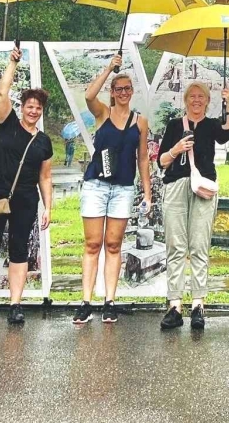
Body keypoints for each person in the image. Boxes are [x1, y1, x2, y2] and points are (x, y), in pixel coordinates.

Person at [0, 47, 54, 325]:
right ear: (22, 108)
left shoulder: (43, 141)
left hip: (25, 200)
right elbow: (2, 92)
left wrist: (48, 207)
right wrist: (12, 62)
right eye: (29, 106)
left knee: (19, 250)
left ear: (41, 112)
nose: (33, 111)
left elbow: (45, 176)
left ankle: (15, 304)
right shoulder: (7, 123)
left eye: (38, 108)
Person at [73, 55, 152, 326]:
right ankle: (86, 301)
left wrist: (148, 192)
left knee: (113, 244)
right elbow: (88, 95)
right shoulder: (102, 113)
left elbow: (143, 158)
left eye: (127, 89)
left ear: (132, 92)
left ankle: (109, 301)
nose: (123, 93)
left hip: (123, 187)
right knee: (93, 243)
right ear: (113, 92)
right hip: (96, 184)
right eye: (119, 89)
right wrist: (109, 68)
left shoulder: (140, 122)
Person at [157, 80, 229, 330]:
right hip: (176, 187)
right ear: (186, 100)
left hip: (202, 187)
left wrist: (228, 103)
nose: (197, 100)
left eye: (202, 97)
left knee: (199, 245)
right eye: (193, 96)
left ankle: (199, 304)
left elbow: (226, 134)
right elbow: (161, 162)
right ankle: (175, 305)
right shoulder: (173, 126)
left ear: (207, 101)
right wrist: (177, 148)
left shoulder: (211, 125)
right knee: (176, 247)